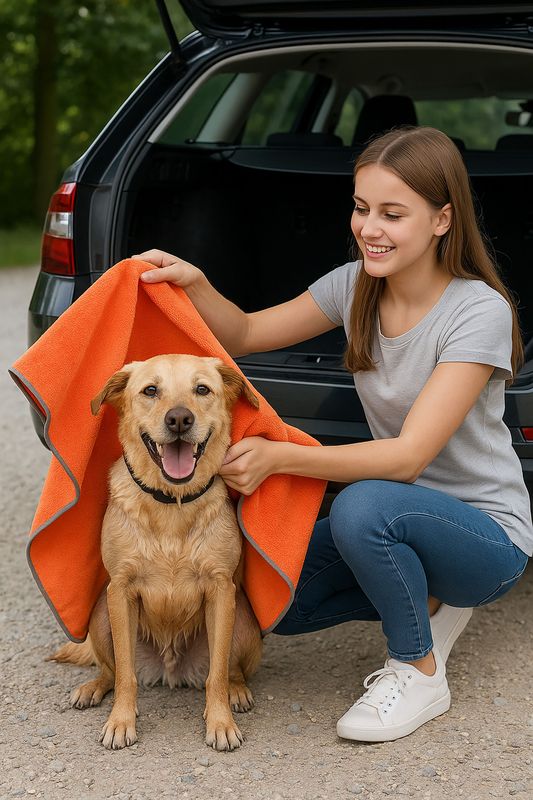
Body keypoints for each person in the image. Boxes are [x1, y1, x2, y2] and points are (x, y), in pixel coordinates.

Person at [132, 126, 532, 743]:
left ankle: (419, 670)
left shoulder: (478, 311)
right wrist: (194, 282)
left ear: (442, 219)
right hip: (405, 513)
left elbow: (407, 458)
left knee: (362, 507)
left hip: (485, 535)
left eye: (392, 214)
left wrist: (280, 458)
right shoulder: (354, 287)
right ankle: (426, 596)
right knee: (276, 597)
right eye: (361, 208)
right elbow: (243, 334)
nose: (370, 228)